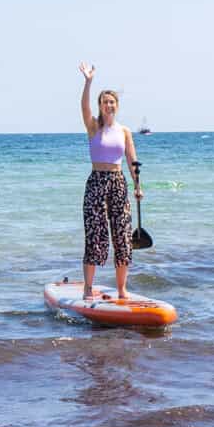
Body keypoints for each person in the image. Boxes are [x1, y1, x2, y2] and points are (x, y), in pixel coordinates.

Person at [77, 62, 141, 299]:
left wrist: (137, 186)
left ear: (116, 105)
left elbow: (132, 160)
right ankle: (87, 287)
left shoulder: (124, 131)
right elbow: (83, 106)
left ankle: (122, 289)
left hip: (118, 182)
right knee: (95, 234)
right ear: (100, 106)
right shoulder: (93, 126)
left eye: (112, 101)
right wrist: (88, 82)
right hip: (96, 182)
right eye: (105, 102)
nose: (109, 105)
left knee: (123, 235)